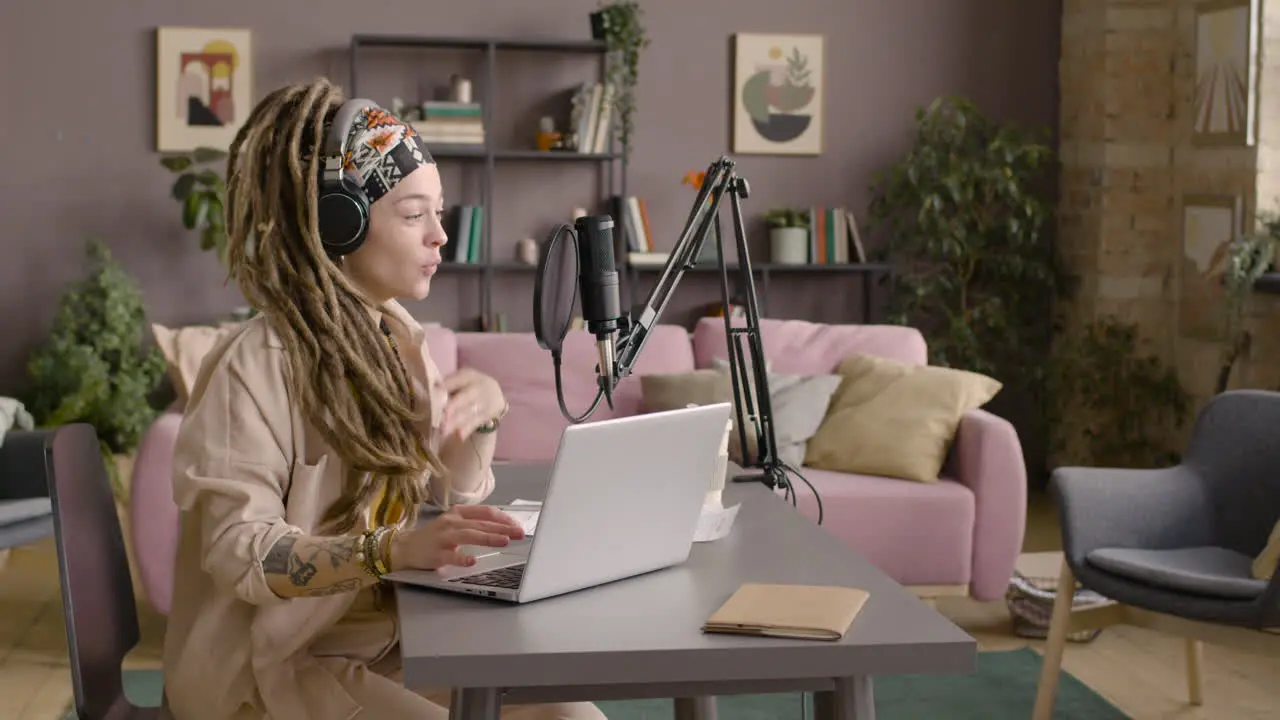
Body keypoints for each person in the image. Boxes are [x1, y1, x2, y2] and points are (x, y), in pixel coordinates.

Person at [161, 77, 606, 720]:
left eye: (440, 212)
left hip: (385, 646)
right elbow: (243, 552)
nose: (440, 237)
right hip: (268, 675)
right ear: (339, 222)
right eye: (412, 214)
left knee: (574, 717)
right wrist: (386, 551)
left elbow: (442, 499)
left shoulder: (395, 340)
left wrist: (482, 420)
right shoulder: (255, 366)